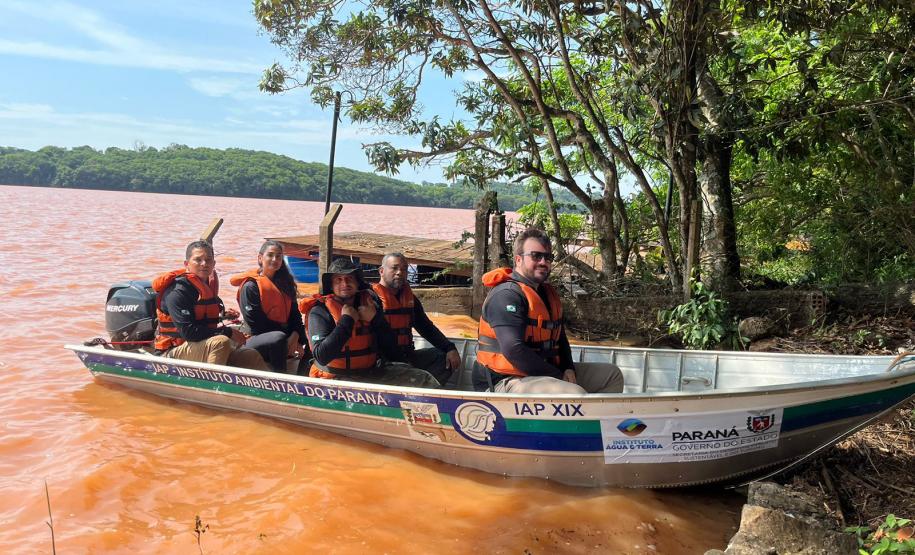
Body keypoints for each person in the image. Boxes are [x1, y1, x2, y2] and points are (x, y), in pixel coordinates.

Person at [473, 228, 624, 394]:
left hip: (545, 374)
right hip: (504, 380)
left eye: (548, 257)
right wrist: (557, 375)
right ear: (518, 260)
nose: (543, 262)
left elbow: (560, 340)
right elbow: (513, 349)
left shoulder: (546, 294)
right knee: (573, 393)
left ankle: (597, 419)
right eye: (536, 256)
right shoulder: (506, 295)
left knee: (611, 375)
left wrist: (568, 368)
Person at [301, 258, 440, 388]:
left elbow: (392, 351)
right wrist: (346, 321)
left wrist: (375, 320)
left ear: (357, 283)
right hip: (334, 379)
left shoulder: (370, 305)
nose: (345, 284)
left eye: (349, 278)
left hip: (369, 375)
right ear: (331, 285)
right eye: (338, 280)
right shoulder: (319, 311)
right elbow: (322, 356)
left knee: (423, 378)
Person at [153, 240, 268, 370]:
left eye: (208, 260)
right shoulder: (178, 291)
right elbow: (188, 333)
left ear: (213, 264)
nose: (204, 264)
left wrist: (223, 317)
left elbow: (201, 319)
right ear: (187, 264)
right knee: (220, 342)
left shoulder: (206, 287)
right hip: (172, 353)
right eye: (198, 260)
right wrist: (228, 332)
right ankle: (212, 386)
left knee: (250, 354)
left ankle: (273, 388)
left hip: (200, 346)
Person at [371, 252, 461, 387]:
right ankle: (416, 388)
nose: (399, 273)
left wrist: (449, 348)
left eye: (404, 269)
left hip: (408, 356)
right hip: (382, 362)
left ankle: (421, 391)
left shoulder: (410, 299)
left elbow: (426, 327)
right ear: (382, 271)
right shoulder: (371, 299)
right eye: (394, 268)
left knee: (443, 358)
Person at [230, 240, 306, 372]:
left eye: (278, 256)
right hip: (253, 340)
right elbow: (256, 324)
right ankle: (280, 383)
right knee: (278, 338)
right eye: (270, 255)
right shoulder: (250, 286)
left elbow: (295, 315)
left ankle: (304, 381)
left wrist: (296, 335)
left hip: (284, 335)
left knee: (312, 340)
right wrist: (288, 336)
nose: (274, 259)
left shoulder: (286, 284)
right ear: (260, 258)